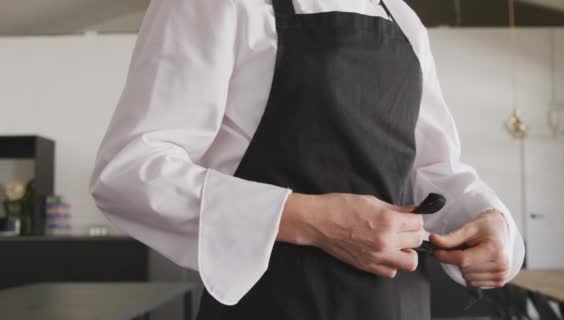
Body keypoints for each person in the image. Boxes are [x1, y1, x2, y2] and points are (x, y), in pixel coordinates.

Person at [89, 0, 525, 319]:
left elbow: (435, 170)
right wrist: (312, 218)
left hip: (397, 307)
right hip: (274, 305)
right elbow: (128, 170)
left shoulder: (403, 19)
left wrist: (492, 221)